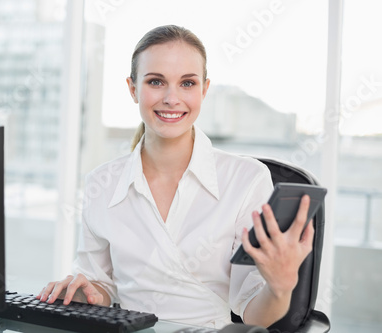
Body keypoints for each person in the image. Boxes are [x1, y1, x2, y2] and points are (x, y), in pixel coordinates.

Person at [37, 25, 314, 329]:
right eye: (156, 81)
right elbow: (101, 285)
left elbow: (253, 313)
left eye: (187, 83)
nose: (171, 98)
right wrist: (86, 292)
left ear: (204, 90)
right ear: (132, 89)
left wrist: (280, 287)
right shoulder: (101, 182)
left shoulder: (246, 179)